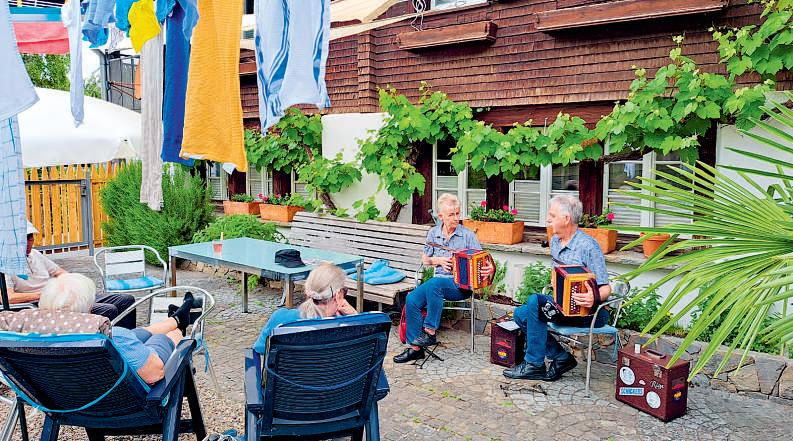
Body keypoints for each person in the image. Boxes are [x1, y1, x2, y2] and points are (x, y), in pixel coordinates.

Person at [0, 273, 195, 385]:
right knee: (169, 336)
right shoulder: (104, 335)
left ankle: (176, 318)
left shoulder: (29, 337)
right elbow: (155, 373)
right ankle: (177, 327)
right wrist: (173, 341)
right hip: (118, 401)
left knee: (135, 335)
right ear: (89, 307)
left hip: (62, 399)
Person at [504, 195, 612, 381]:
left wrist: (593, 297)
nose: (548, 219)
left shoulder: (588, 246)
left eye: (552, 216)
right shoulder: (555, 241)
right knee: (520, 315)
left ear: (566, 219)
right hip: (562, 307)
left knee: (534, 301)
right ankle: (561, 358)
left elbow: (606, 288)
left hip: (589, 314)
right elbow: (556, 273)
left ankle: (534, 365)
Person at [393, 193, 494, 364]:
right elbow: (425, 259)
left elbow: (483, 260)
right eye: (451, 215)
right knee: (412, 299)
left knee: (435, 284)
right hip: (437, 284)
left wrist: (489, 267)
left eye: (457, 213)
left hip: (460, 287)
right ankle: (415, 349)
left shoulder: (467, 235)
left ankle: (430, 331)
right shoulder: (433, 233)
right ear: (441, 216)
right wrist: (437, 261)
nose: (456, 218)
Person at [3, 221, 137, 328]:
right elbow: (8, 298)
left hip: (62, 295)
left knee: (126, 300)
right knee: (109, 310)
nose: (29, 242)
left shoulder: (35, 254)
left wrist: (73, 286)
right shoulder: (4, 264)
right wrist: (45, 294)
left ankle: (127, 339)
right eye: (24, 239)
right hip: (44, 304)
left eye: (30, 237)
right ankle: (105, 346)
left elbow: (60, 272)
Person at [253, 262, 357, 354]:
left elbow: (260, 349)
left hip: (290, 371)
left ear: (308, 291)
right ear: (338, 294)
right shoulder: (350, 327)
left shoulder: (281, 318)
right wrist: (355, 317)